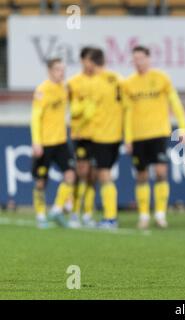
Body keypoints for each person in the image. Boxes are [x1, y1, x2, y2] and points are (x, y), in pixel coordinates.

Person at [122, 45, 185, 230]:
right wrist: (127, 138)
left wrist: (183, 127)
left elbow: (175, 102)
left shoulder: (161, 79)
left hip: (158, 133)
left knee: (160, 172)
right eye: (135, 59)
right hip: (137, 136)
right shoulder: (128, 83)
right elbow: (127, 113)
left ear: (148, 59)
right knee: (141, 175)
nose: (138, 62)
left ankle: (160, 215)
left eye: (141, 58)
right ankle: (143, 215)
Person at [31, 58, 76, 228]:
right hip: (45, 142)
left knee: (70, 174)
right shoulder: (42, 91)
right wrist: (37, 142)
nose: (61, 72)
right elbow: (36, 118)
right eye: (58, 69)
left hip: (61, 141)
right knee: (41, 181)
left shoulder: (65, 88)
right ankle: (41, 215)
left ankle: (57, 209)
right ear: (49, 71)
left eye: (63, 69)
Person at [88, 48, 124, 229]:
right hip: (117, 135)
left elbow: (88, 111)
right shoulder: (118, 78)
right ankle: (110, 217)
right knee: (106, 173)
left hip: (101, 135)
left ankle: (110, 218)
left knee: (104, 175)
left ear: (91, 63)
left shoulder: (95, 82)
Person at [67, 47, 98, 228]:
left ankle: (87, 214)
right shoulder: (74, 83)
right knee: (81, 174)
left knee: (93, 176)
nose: (90, 64)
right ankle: (74, 212)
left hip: (99, 135)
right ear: (82, 61)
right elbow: (73, 109)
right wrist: (89, 105)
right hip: (81, 134)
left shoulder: (101, 81)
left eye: (93, 60)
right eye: (87, 60)